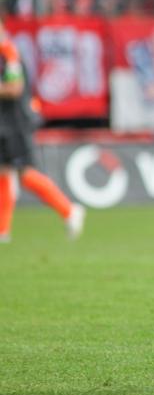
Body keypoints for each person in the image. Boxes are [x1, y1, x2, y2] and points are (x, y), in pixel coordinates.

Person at [0, 22, 85, 242]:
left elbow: (15, 87)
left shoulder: (9, 53)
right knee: (4, 173)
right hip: (4, 124)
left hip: (15, 125)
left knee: (25, 174)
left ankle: (69, 210)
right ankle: (3, 231)